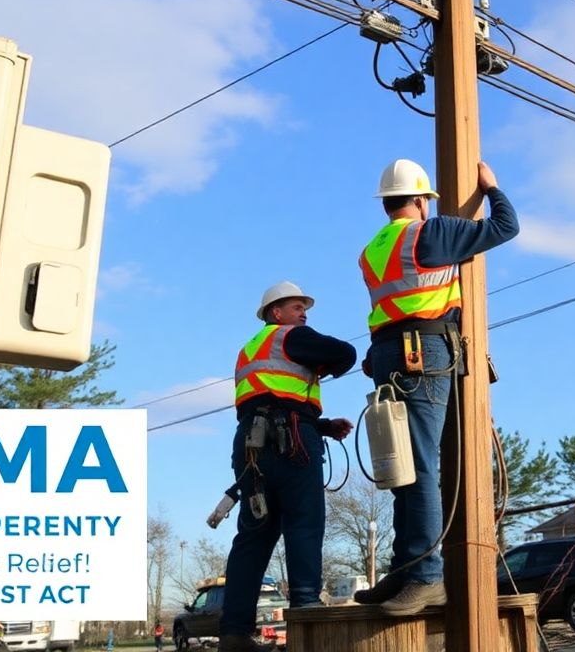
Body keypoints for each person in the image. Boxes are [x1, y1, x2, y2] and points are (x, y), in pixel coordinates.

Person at [353, 158, 519, 616]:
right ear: (422, 200)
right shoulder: (430, 233)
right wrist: (492, 187)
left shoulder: (373, 248)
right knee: (421, 465)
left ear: (386, 202)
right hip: (422, 352)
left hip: (387, 353)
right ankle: (425, 578)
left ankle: (406, 567)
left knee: (400, 468)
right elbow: (506, 227)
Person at [216, 281, 357, 652]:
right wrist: (322, 366)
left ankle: (233, 633)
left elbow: (267, 399)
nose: (304, 314)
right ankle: (307, 613)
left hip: (251, 445)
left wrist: (322, 426)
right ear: (276, 313)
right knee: (304, 523)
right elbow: (345, 353)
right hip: (291, 442)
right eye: (297, 307)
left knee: (254, 536)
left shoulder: (249, 350)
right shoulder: (289, 337)